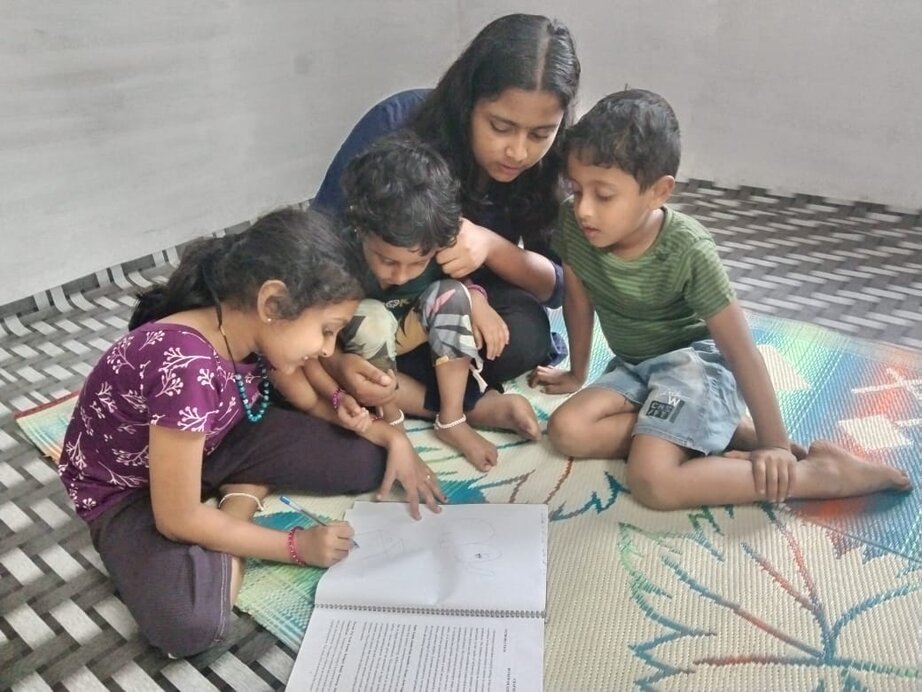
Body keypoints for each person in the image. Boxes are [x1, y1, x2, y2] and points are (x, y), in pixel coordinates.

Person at [57, 208, 443, 658]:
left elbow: (309, 402)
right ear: (272, 303)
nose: (326, 350)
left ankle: (232, 496)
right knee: (192, 624)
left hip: (221, 438)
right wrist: (296, 546)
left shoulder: (251, 331)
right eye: (326, 331)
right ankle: (240, 497)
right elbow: (176, 519)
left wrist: (389, 435)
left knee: (368, 462)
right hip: (128, 490)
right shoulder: (187, 368)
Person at [531, 89, 911, 509]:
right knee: (567, 431)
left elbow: (739, 349)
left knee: (653, 482)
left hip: (695, 367)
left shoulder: (688, 249)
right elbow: (578, 299)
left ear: (658, 192)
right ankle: (713, 428)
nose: (584, 209)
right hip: (636, 368)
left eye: (604, 195)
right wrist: (577, 372)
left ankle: (819, 475)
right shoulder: (574, 223)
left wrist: (776, 446)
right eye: (577, 188)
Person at [311, 13, 580, 414]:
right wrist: (333, 357)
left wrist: (490, 246)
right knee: (338, 332)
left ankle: (408, 387)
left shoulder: (550, 164)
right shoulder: (397, 124)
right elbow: (317, 246)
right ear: (468, 101)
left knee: (525, 335)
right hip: (370, 296)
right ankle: (463, 403)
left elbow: (558, 286)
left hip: (459, 300)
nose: (519, 151)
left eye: (541, 133)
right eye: (500, 127)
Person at [308, 132, 540, 471]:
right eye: (387, 261)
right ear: (360, 228)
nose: (401, 276)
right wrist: (341, 366)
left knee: (453, 295)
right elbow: (317, 339)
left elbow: (456, 280)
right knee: (371, 317)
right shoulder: (339, 259)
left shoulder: (433, 238)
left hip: (415, 341)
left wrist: (477, 301)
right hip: (364, 358)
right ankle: (393, 419)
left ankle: (452, 418)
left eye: (417, 263)